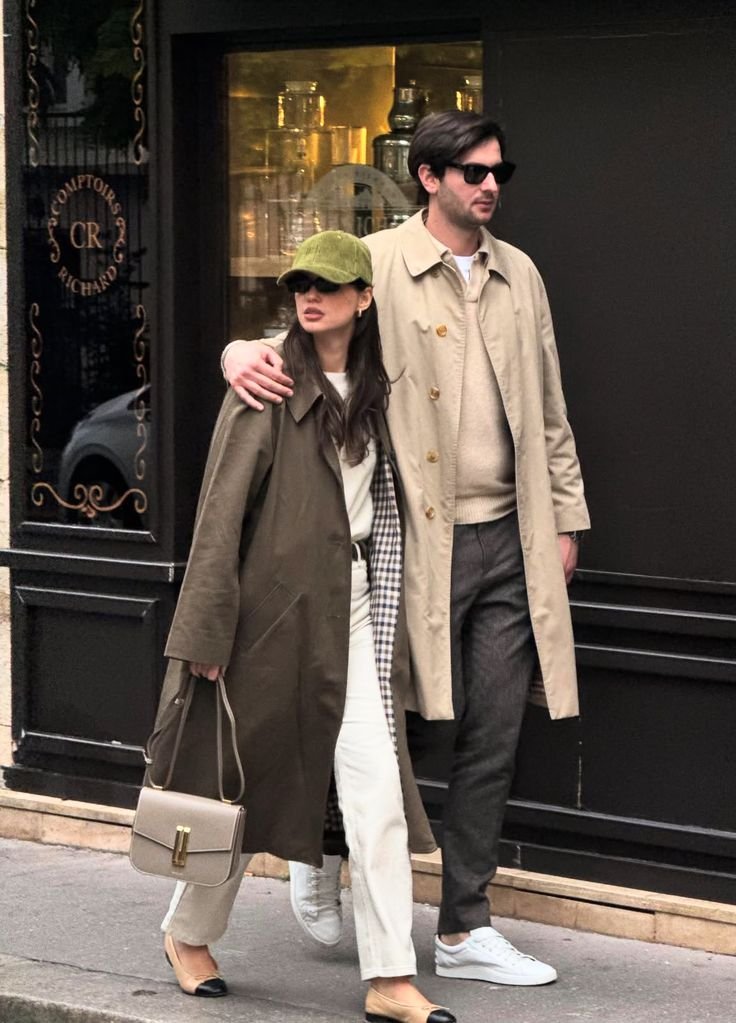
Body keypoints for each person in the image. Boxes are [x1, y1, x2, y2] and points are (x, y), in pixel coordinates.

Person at [222, 110, 590, 988]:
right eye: (472, 172)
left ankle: (465, 927)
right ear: (429, 177)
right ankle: (319, 850)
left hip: (512, 538)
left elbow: (548, 406)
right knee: (386, 730)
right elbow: (295, 342)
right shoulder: (380, 261)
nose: (489, 184)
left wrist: (566, 518)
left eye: (498, 170)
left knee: (494, 732)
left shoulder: (520, 274)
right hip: (405, 542)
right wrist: (234, 350)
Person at [150, 230, 456, 1023]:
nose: (309, 295)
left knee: (376, 790)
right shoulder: (266, 380)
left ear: (362, 299)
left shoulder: (381, 386)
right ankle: (187, 933)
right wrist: (208, 634)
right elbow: (219, 516)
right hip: (267, 615)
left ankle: (390, 976)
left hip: (355, 604)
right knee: (242, 786)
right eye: (299, 284)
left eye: (327, 284)